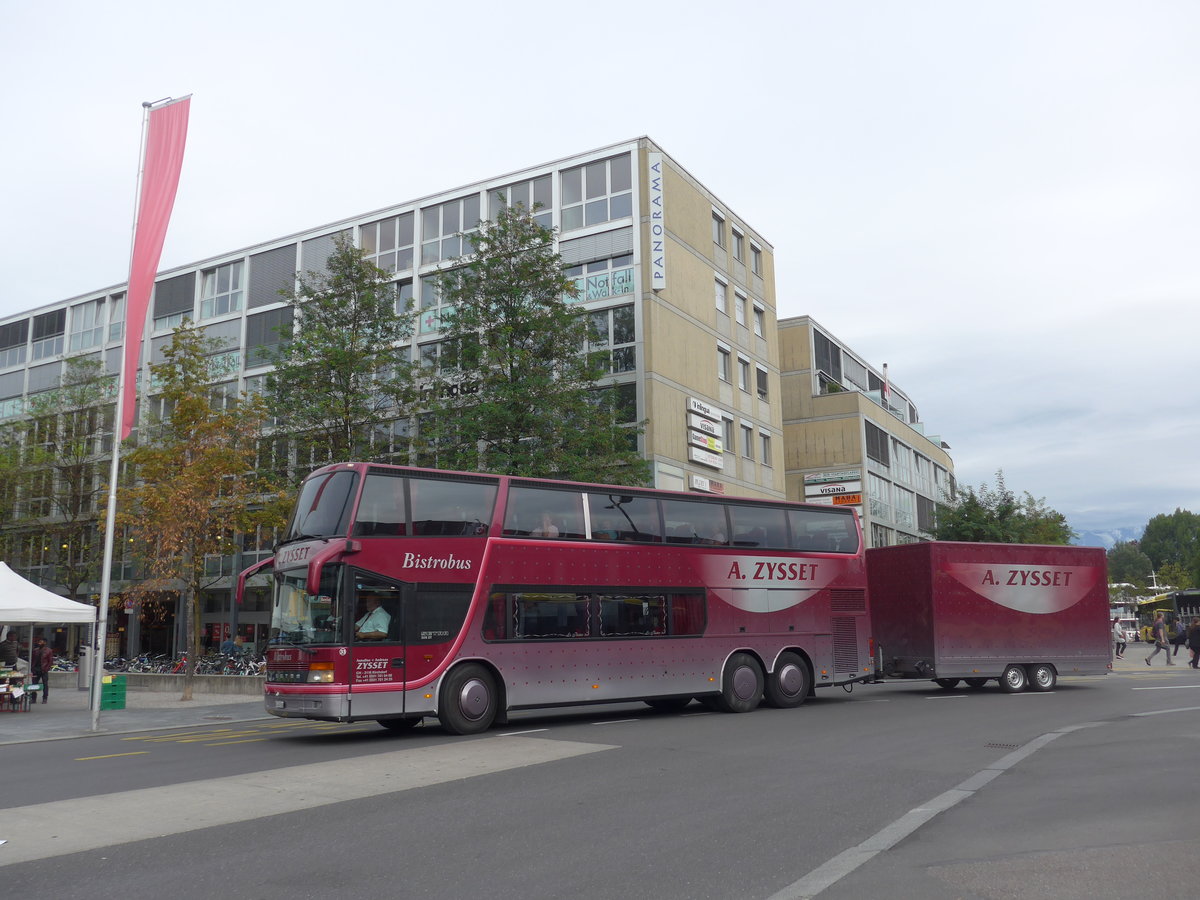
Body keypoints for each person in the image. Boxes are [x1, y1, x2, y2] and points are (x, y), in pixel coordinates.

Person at [31, 635, 53, 703]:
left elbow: (50, 661)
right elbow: (32, 660)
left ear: (45, 643)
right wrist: (32, 668)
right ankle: (33, 698)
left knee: (45, 684)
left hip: (44, 669)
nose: (39, 643)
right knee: (34, 684)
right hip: (36, 669)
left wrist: (46, 669)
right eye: (39, 641)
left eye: (41, 641)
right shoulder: (35, 650)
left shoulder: (48, 651)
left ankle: (45, 698)